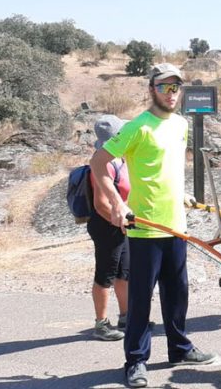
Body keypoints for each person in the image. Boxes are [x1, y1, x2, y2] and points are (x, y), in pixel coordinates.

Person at [90, 63, 217, 388]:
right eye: (164, 87)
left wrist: (182, 194)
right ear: (152, 90)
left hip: (176, 226)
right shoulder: (138, 127)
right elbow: (99, 163)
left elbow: (165, 168)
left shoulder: (181, 125)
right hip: (144, 228)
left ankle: (180, 348)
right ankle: (135, 361)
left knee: (177, 295)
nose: (171, 93)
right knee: (140, 301)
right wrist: (118, 204)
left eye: (176, 87)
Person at [88, 114, 130, 341]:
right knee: (105, 273)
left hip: (120, 224)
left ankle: (126, 316)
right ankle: (101, 324)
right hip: (107, 226)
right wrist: (119, 220)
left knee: (124, 272)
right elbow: (100, 204)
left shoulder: (119, 160)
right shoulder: (102, 162)